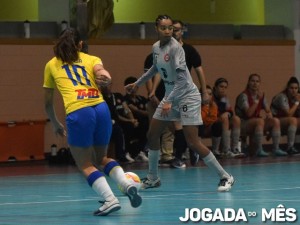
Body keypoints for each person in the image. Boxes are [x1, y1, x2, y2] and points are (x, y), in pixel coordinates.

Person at [125, 15, 234, 192]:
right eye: (164, 28)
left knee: (193, 141)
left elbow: (182, 81)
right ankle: (153, 178)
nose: (168, 31)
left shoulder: (177, 50)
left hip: (187, 96)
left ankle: (225, 176)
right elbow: (155, 68)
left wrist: (168, 100)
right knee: (152, 134)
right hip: (171, 95)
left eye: (171, 28)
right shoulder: (156, 47)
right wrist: (137, 83)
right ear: (156, 29)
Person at [43, 28, 142, 216]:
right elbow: (102, 72)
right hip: (101, 109)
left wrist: (55, 123)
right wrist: (106, 76)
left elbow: (48, 103)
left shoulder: (51, 65)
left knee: (85, 164)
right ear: (80, 44)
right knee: (101, 158)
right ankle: (126, 184)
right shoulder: (91, 58)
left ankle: (110, 199)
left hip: (79, 112)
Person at [235, 73, 287, 157]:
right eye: (253, 81)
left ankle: (275, 149)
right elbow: (248, 114)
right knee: (260, 121)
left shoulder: (261, 95)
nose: (255, 83)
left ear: (259, 83)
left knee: (275, 121)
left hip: (256, 122)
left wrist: (269, 115)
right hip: (243, 123)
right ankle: (259, 149)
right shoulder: (243, 96)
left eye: (257, 81)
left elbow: (268, 110)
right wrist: (256, 101)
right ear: (248, 82)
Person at [145, 53, 175, 165]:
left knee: (169, 129)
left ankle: (167, 155)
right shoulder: (151, 57)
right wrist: (152, 95)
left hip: (169, 98)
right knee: (154, 129)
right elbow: (147, 77)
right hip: (155, 99)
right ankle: (154, 155)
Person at [100, 81, 137, 163]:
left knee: (138, 126)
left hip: (119, 120)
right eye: (104, 85)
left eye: (108, 84)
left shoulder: (117, 96)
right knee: (118, 130)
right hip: (108, 122)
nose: (106, 87)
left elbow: (127, 110)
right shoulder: (100, 98)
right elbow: (116, 116)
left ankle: (132, 152)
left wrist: (133, 120)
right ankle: (120, 155)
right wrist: (129, 120)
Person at [212, 78, 244, 158]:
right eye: (221, 87)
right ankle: (226, 150)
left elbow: (230, 111)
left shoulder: (224, 98)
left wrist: (227, 113)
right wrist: (224, 114)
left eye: (225, 87)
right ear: (215, 87)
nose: (223, 89)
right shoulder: (211, 97)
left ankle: (235, 148)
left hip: (222, 121)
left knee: (236, 119)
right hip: (211, 122)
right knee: (225, 118)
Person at [271, 76, 300, 155]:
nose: (294, 90)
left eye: (296, 88)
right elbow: (289, 114)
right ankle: (290, 147)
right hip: (276, 121)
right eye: (291, 88)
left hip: (288, 122)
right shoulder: (282, 97)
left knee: (294, 120)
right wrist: (297, 103)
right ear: (287, 88)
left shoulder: (297, 97)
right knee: (293, 120)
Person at [123, 76, 149, 162]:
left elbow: (148, 112)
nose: (134, 88)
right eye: (131, 86)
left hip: (143, 122)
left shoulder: (141, 99)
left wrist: (138, 110)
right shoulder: (124, 100)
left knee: (148, 124)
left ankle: (141, 152)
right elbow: (128, 111)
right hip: (130, 122)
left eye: (136, 86)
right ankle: (130, 152)